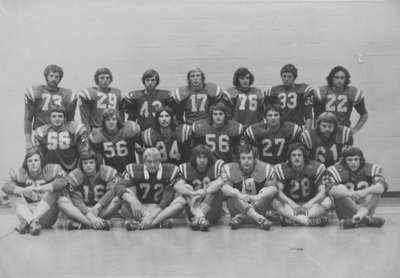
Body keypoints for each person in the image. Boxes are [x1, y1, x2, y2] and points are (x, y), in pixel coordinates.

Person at [111, 148, 188, 230]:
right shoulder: (134, 169)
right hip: (141, 207)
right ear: (144, 162)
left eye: (156, 161)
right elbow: (117, 186)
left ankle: (146, 222)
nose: (153, 165)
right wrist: (133, 201)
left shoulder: (169, 170)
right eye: (149, 161)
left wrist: (152, 215)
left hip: (162, 208)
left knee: (183, 195)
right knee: (126, 192)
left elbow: (167, 198)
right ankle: (157, 222)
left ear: (160, 161)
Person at [2, 150, 68, 235]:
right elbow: (4, 186)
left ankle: (28, 222)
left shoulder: (52, 169)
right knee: (12, 193)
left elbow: (63, 182)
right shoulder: (19, 172)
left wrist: (38, 188)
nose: (33, 163)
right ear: (26, 163)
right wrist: (24, 190)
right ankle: (32, 221)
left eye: (36, 160)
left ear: (41, 161)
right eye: (30, 161)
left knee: (54, 191)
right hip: (27, 212)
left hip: (46, 216)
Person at [326, 147, 387, 229]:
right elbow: (330, 191)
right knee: (339, 188)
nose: (353, 162)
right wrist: (351, 193)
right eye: (350, 160)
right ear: (344, 161)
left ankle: (358, 218)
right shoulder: (335, 169)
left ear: (361, 159)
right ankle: (366, 220)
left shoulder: (370, 168)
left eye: (356, 159)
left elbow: (381, 187)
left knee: (376, 189)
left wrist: (364, 192)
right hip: (346, 211)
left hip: (365, 208)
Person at [221, 144, 277, 230]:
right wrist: (239, 195)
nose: (246, 161)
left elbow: (273, 189)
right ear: (239, 159)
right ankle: (258, 218)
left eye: (249, 158)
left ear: (255, 159)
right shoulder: (228, 168)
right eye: (243, 158)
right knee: (233, 192)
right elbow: (224, 189)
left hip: (258, 206)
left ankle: (241, 218)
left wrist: (257, 197)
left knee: (267, 192)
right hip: (237, 208)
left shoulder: (266, 169)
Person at [273, 143, 330, 226]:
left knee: (327, 200)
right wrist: (291, 203)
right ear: (289, 157)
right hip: (291, 206)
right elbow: (278, 192)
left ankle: (294, 220)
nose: (296, 158)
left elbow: (323, 192)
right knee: (274, 201)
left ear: (304, 157)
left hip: (310, 206)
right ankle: (307, 222)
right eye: (294, 155)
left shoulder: (315, 168)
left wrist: (310, 203)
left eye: (299, 155)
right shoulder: (283, 169)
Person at [24, 64, 77, 150]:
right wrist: (28, 142)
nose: (53, 79)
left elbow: (70, 120)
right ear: (46, 76)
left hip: (61, 135)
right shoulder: (36, 92)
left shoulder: (67, 94)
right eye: (51, 76)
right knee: (40, 161)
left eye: (56, 77)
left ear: (60, 79)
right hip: (41, 134)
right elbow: (28, 118)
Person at [173, 145, 225, 231]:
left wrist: (205, 191)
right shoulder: (185, 168)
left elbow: (221, 182)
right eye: (199, 157)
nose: (202, 160)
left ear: (209, 158)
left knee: (216, 189)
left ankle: (199, 218)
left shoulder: (216, 166)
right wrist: (193, 193)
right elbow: (177, 186)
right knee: (186, 187)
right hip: (193, 208)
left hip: (211, 211)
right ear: (194, 158)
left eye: (205, 158)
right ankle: (200, 218)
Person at [65, 151, 121, 230]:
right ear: (81, 164)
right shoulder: (75, 175)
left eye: (91, 162)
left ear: (96, 163)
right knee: (65, 202)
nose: (88, 165)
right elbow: (77, 200)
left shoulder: (106, 171)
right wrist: (88, 214)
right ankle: (99, 223)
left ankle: (84, 223)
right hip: (84, 210)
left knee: (118, 199)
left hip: (102, 209)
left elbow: (112, 191)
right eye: (85, 163)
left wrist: (99, 205)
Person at [314, 66, 368, 134]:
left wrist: (354, 130)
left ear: (346, 79)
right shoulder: (322, 92)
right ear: (331, 78)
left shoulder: (352, 92)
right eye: (336, 77)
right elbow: (316, 116)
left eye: (342, 78)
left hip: (343, 131)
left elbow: (364, 114)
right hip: (325, 131)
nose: (339, 80)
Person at [34, 105, 89, 172]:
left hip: (72, 170)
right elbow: (40, 155)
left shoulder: (74, 129)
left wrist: (80, 170)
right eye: (54, 116)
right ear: (49, 118)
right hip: (51, 170)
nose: (57, 119)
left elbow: (84, 153)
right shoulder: (42, 132)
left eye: (60, 116)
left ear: (65, 118)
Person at [89, 108, 141, 173]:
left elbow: (140, 142)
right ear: (104, 122)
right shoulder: (99, 134)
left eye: (113, 119)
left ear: (118, 120)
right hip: (111, 172)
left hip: (130, 169)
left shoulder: (128, 129)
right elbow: (97, 156)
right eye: (108, 120)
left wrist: (138, 146)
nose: (111, 122)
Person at [265, 64, 314, 130]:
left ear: (294, 77)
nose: (286, 79)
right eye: (284, 76)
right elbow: (267, 114)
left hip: (297, 127)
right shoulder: (272, 91)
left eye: (289, 76)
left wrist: (306, 132)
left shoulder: (303, 90)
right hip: (279, 129)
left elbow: (309, 115)